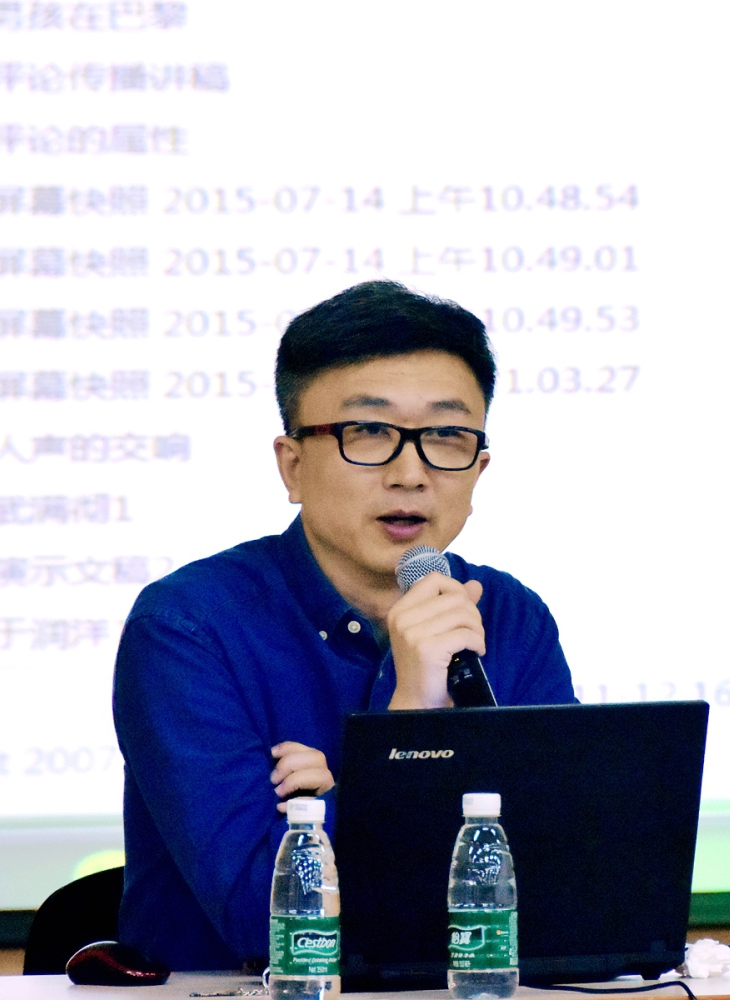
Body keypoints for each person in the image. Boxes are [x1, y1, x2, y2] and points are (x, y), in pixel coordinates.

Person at [113, 281, 574, 969]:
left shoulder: (510, 617)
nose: (411, 473)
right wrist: (410, 724)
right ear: (293, 465)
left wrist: (337, 799)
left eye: (447, 436)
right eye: (370, 433)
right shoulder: (188, 629)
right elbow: (264, 922)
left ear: (479, 468)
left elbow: (569, 882)